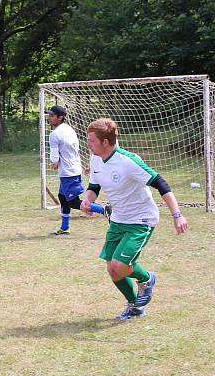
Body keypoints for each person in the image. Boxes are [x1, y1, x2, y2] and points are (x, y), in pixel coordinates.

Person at [80, 118, 188, 320]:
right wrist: (87, 200)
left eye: (92, 141)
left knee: (121, 265)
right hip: (118, 219)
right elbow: (94, 187)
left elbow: (161, 183)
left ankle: (147, 279)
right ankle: (134, 306)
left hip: (140, 220)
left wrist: (177, 215)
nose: (89, 144)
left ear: (106, 142)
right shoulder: (95, 158)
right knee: (112, 270)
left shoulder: (128, 161)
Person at [46, 105, 107, 234]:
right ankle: (64, 227)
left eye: (52, 116)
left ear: (60, 117)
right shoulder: (69, 129)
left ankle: (104, 210)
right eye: (49, 115)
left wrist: (55, 162)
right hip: (74, 169)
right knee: (62, 198)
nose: (49, 118)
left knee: (73, 202)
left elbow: (54, 157)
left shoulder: (54, 134)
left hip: (68, 173)